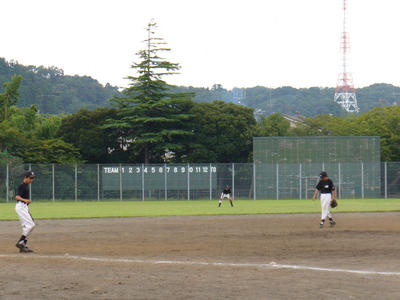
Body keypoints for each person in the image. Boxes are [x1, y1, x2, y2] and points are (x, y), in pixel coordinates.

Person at [15, 170, 36, 253]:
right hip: (20, 207)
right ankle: (20, 242)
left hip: (24, 208)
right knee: (31, 225)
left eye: (32, 178)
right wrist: (25, 200)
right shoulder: (22, 186)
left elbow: (25, 202)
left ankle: (22, 245)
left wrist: (28, 211)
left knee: (27, 226)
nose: (31, 180)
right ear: (25, 177)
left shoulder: (26, 186)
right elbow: (17, 197)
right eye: (30, 178)